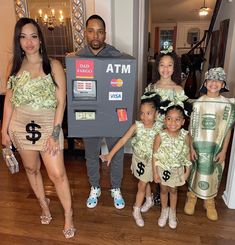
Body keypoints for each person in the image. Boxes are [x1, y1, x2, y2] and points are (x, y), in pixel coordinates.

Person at [1, 18, 75, 238]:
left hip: (47, 125)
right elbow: (9, 100)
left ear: (40, 39)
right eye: (23, 37)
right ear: (18, 40)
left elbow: (61, 102)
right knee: (31, 169)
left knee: (57, 173)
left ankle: (69, 214)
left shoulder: (52, 65)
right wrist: (4, 131)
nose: (29, 42)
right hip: (20, 126)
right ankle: (44, 204)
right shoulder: (13, 65)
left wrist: (54, 133)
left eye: (33, 36)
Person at [76, 14, 125, 209]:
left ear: (105, 34)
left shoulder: (117, 56)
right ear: (85, 32)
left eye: (100, 31)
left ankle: (116, 188)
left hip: (113, 114)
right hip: (90, 115)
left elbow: (124, 84)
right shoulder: (78, 58)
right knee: (90, 155)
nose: (95, 35)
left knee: (117, 153)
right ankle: (95, 186)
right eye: (91, 30)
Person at [100, 92, 162, 227]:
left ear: (156, 113)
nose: (144, 117)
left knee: (144, 183)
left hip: (152, 161)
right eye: (142, 113)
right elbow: (122, 140)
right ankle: (143, 203)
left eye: (148, 113)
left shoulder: (159, 128)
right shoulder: (136, 126)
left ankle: (139, 206)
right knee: (143, 181)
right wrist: (110, 154)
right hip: (139, 160)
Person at [184, 67, 235, 221]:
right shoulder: (198, 103)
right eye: (211, 80)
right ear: (205, 83)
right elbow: (190, 129)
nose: (214, 83)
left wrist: (224, 151)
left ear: (223, 84)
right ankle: (192, 196)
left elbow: (227, 130)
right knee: (196, 170)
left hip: (216, 147)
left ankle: (209, 201)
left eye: (218, 80)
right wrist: (191, 147)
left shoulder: (227, 105)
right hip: (198, 146)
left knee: (213, 172)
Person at [142, 45, 188, 211]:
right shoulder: (151, 88)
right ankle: (149, 198)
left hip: (170, 138)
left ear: (174, 67)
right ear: (157, 66)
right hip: (151, 135)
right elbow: (145, 112)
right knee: (149, 167)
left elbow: (181, 117)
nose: (166, 68)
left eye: (170, 65)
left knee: (166, 166)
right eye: (162, 64)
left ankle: (166, 201)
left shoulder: (178, 90)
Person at [152, 103, 192, 229]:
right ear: (165, 120)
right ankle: (164, 210)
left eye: (177, 119)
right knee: (164, 190)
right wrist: (155, 172)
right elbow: (155, 155)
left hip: (177, 169)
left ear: (183, 121)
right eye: (169, 118)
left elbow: (187, 154)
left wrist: (187, 171)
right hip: (162, 168)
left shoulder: (185, 136)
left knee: (173, 190)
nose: (173, 122)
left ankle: (172, 211)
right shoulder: (160, 135)